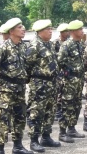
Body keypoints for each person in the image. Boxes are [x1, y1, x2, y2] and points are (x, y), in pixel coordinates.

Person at [0, 18, 33, 154]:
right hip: (6, 89)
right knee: (3, 119)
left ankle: (18, 146)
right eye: (20, 27)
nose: (23, 29)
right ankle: (0, 149)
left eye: (23, 26)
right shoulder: (2, 47)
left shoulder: (23, 46)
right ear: (11, 31)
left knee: (20, 118)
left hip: (20, 89)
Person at [26, 19, 61, 153]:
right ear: (40, 32)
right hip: (39, 84)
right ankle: (34, 140)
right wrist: (34, 79)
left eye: (51, 29)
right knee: (36, 112)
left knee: (49, 111)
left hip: (51, 83)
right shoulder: (34, 45)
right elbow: (27, 65)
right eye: (48, 29)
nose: (50, 31)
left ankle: (46, 137)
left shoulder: (49, 45)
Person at [57, 20, 85, 143]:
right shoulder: (66, 45)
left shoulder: (80, 44)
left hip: (78, 79)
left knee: (77, 105)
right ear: (73, 31)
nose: (82, 31)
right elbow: (60, 61)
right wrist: (68, 72)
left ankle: (72, 128)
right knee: (67, 105)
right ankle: (62, 132)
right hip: (69, 80)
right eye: (80, 29)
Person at [53, 23, 69, 121]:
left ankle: (61, 110)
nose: (68, 33)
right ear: (62, 33)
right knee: (58, 91)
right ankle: (57, 111)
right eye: (66, 31)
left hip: (66, 71)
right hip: (59, 71)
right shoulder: (55, 43)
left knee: (64, 91)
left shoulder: (68, 42)